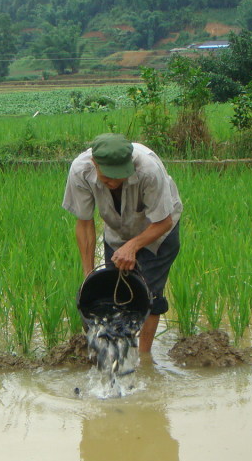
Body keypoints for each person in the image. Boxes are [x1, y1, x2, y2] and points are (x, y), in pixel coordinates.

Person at [62, 133, 182, 353]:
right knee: (114, 293)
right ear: (94, 163)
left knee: (149, 292)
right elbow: (85, 224)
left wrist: (134, 246)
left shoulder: (148, 170)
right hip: (117, 231)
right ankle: (116, 355)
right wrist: (88, 274)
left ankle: (143, 360)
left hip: (159, 231)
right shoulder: (80, 171)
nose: (115, 182)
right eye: (108, 177)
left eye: (120, 176)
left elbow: (164, 221)